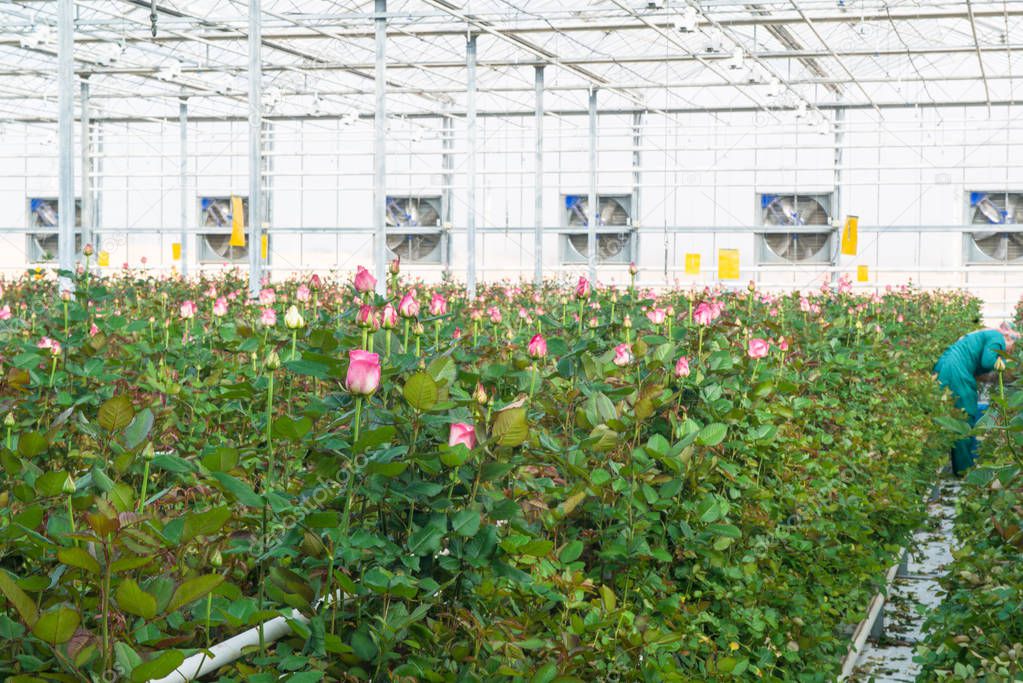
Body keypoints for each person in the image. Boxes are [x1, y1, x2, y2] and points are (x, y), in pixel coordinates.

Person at [933, 322, 1019, 474]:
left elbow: (980, 367)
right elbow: (988, 361)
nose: (1007, 353)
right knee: (965, 418)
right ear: (1010, 340)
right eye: (1009, 351)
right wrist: (1006, 363)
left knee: (949, 416)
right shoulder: (997, 337)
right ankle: (964, 470)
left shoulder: (982, 335)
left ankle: (957, 465)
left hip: (944, 366)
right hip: (956, 371)